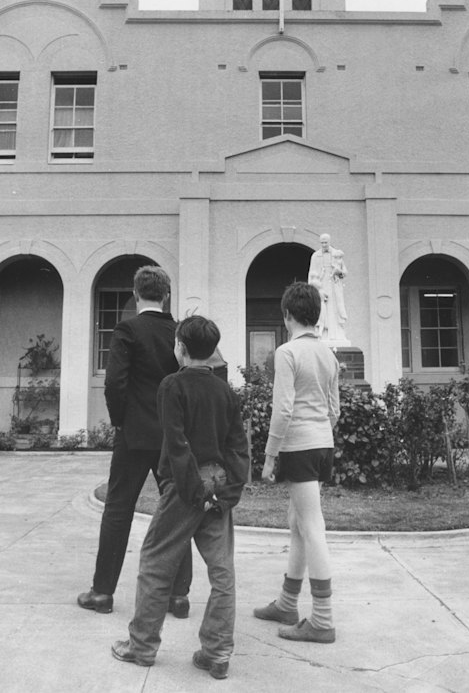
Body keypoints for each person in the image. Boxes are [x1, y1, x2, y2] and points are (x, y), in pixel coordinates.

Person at [111, 315, 249, 681]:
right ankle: (217, 653)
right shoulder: (226, 392)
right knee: (222, 572)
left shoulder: (171, 385)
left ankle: (142, 646)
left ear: (181, 348)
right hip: (218, 486)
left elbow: (176, 443)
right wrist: (226, 493)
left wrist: (195, 493)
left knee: (156, 562)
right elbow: (238, 446)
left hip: (184, 490)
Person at [77, 265, 192, 617]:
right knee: (176, 511)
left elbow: (115, 383)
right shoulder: (179, 332)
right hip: (172, 436)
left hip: (133, 434)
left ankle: (102, 592)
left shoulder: (127, 329)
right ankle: (178, 596)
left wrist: (119, 422)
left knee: (118, 509)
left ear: (135, 293)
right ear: (166, 294)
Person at [253, 281, 340, 644]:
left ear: (287, 315)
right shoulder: (328, 354)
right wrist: (319, 433)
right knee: (298, 523)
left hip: (300, 447)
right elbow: (334, 410)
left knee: (311, 526)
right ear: (316, 315)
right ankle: (287, 603)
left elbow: (284, 409)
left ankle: (322, 620)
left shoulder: (287, 352)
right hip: (321, 444)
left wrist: (270, 455)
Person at [308, 232, 349, 344]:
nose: (324, 245)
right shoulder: (315, 256)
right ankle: (323, 333)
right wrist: (317, 290)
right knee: (323, 310)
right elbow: (311, 275)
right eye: (322, 243)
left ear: (329, 242)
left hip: (334, 286)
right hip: (321, 286)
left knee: (335, 309)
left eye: (325, 242)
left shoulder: (337, 254)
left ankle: (336, 334)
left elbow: (344, 272)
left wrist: (339, 272)